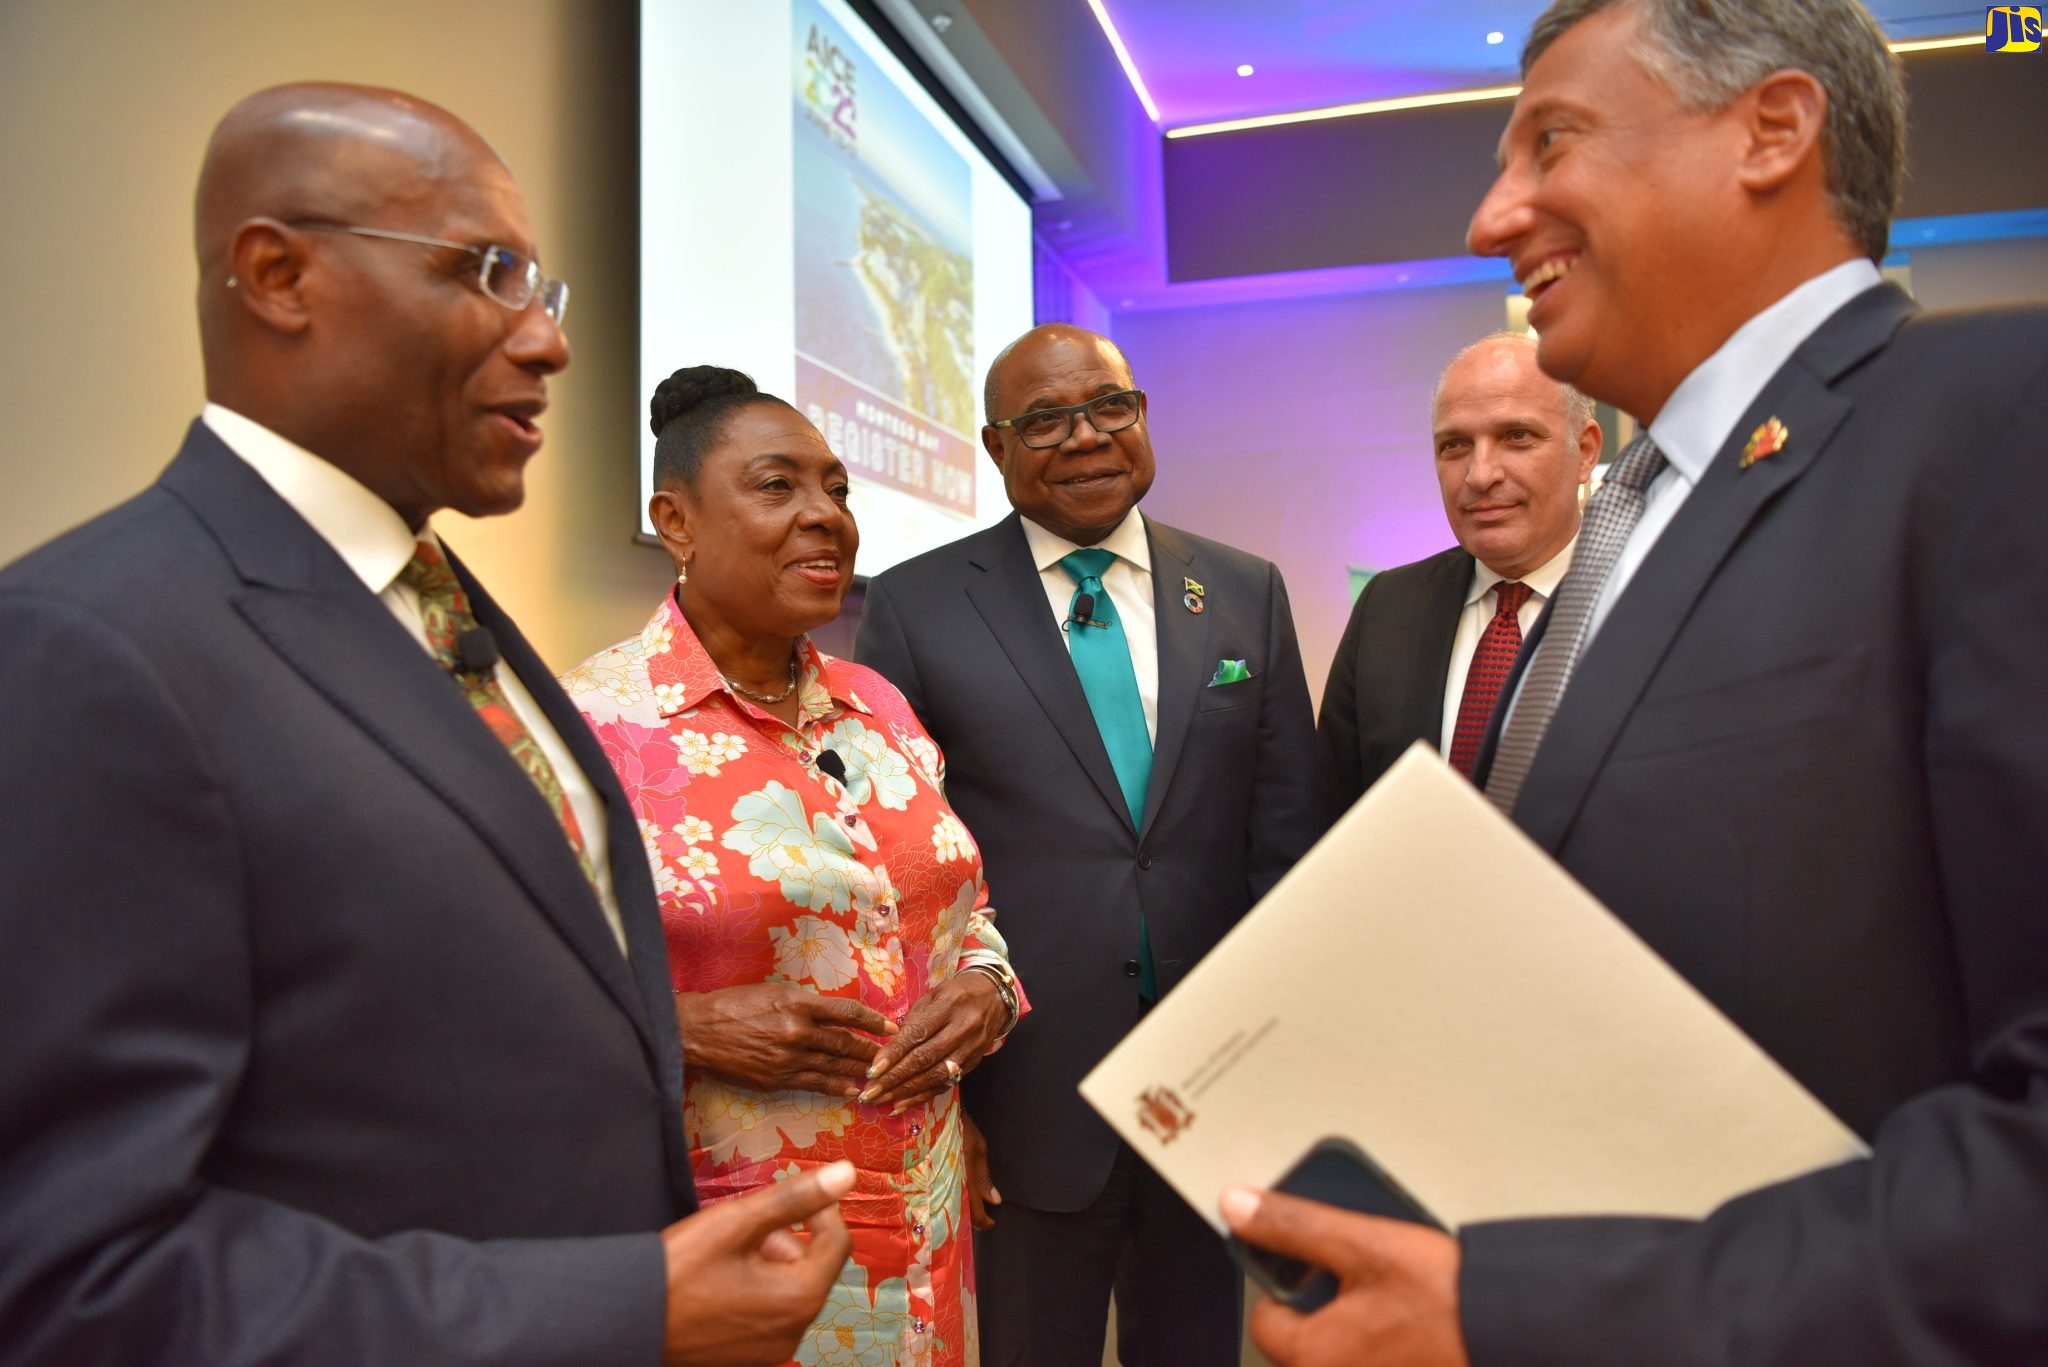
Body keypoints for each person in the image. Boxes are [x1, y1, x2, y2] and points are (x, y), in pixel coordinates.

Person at [1220, 1, 2048, 1363]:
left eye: (1552, 140)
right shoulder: (1648, 515)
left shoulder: (1999, 419)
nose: (1493, 218)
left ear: (1771, 130)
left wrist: (1519, 1309)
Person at [0, 84, 854, 1366]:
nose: (547, 342)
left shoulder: (443, 612)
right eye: (485, 273)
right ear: (279, 275)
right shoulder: (90, 646)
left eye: (542, 292)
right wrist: (625, 1308)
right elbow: (79, 1279)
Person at [857, 324, 1322, 1366]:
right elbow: (902, 874)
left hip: (1209, 1084)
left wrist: (1279, 1061)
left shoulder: (1245, 589)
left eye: (1108, 408)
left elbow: (1283, 844)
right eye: (1043, 421)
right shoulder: (917, 604)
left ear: (1143, 416)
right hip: (1024, 1094)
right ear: (992, 445)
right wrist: (949, 1098)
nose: (1084, 438)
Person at [561, 366, 1024, 1366]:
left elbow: (965, 906)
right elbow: (501, 995)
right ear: (674, 521)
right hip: (745, 1244)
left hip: (924, 1225)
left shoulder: (880, 708)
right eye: (777, 487)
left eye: (837, 489)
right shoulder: (589, 729)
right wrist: (678, 1028)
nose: (824, 515)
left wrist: (986, 986)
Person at [1318, 332, 1598, 810]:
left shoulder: (1650, 604)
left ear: (1586, 452)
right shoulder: (1387, 609)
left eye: (1517, 437)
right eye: (1455, 445)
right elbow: (1330, 810)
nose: (1480, 474)